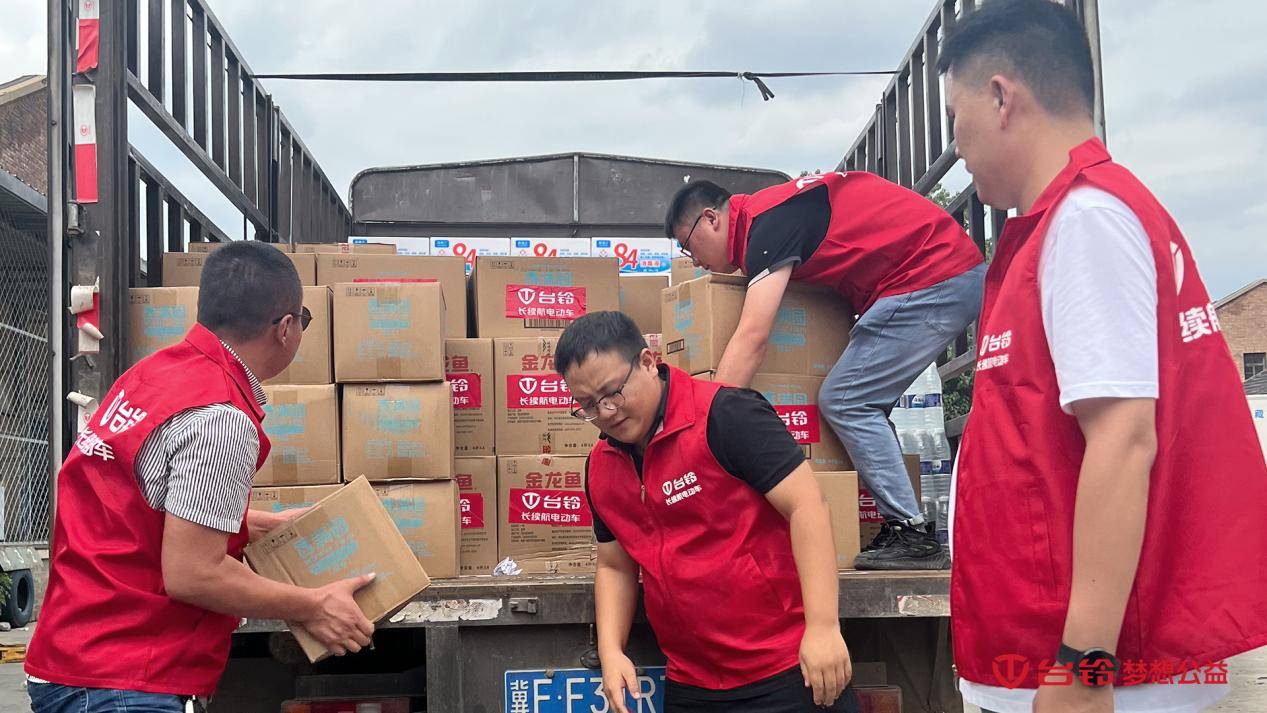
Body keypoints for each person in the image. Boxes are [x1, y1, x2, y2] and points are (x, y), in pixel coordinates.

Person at [940, 1, 1267, 712]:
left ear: (1000, 97)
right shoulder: (1074, 221)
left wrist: (1082, 668)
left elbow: (1122, 437)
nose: (956, 146)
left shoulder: (1085, 221)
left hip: (1093, 675)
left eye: (953, 116)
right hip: (1057, 659)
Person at [26, 242, 377, 713]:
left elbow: (141, 505)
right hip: (123, 680)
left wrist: (253, 524)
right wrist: (313, 605)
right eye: (304, 320)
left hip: (79, 657)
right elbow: (193, 574)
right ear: (286, 328)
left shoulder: (151, 377)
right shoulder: (220, 417)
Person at [663, 171, 984, 570]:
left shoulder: (766, 225)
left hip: (935, 275)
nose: (693, 259)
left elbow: (752, 337)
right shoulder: (768, 219)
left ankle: (913, 534)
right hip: (930, 275)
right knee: (861, 400)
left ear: (711, 218)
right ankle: (902, 522)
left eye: (688, 244)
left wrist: (704, 434)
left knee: (848, 401)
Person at [556, 311, 858, 713]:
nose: (607, 411)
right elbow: (615, 565)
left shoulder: (726, 415)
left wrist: (823, 628)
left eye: (613, 392)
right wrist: (612, 652)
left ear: (648, 361)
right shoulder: (600, 467)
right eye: (588, 405)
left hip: (787, 667)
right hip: (692, 683)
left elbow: (807, 505)